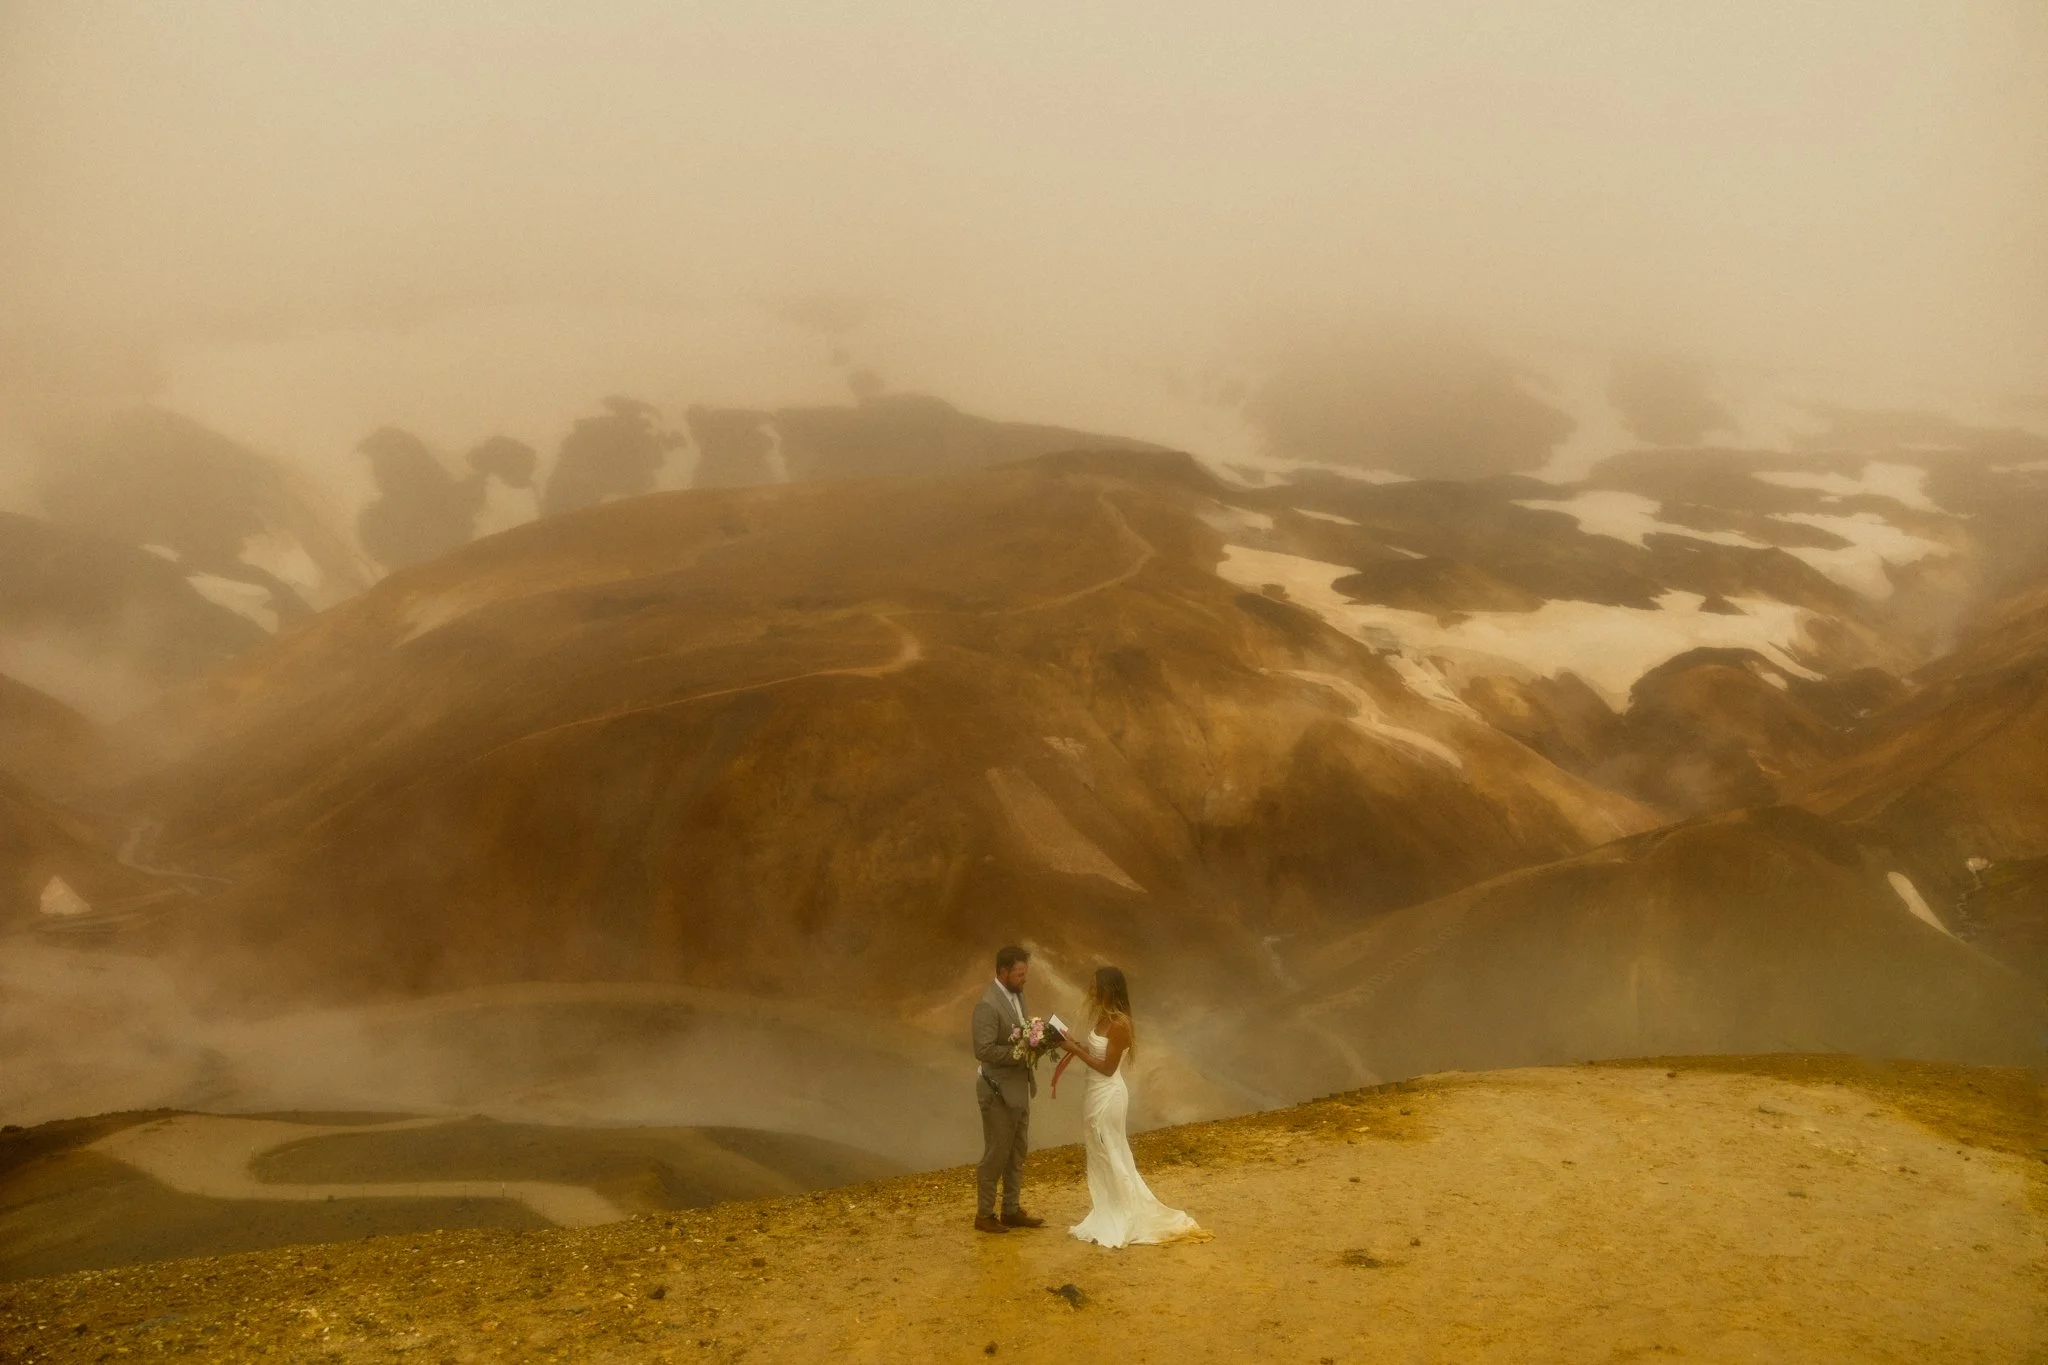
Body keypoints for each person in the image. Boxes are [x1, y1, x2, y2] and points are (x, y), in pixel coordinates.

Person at [1056, 966, 1204, 1247]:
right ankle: (1109, 1208)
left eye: (1096, 986)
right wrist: (1075, 1045)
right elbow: (1097, 1054)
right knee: (1099, 1150)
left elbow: (1108, 1068)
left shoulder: (1120, 1024)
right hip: (1093, 1092)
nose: (1092, 991)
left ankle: (1124, 1213)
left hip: (1108, 1095)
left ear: (1109, 989)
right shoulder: (1103, 1018)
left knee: (1112, 1149)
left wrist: (1075, 1051)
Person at [970, 945, 1045, 1233]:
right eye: (1019, 973)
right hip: (998, 1091)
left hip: (1019, 1089)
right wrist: (1020, 1052)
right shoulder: (987, 1005)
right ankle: (985, 1215)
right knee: (996, 1153)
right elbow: (983, 1049)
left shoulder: (1018, 995)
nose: (1024, 979)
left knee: (1017, 1152)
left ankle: (1011, 1209)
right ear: (1003, 972)